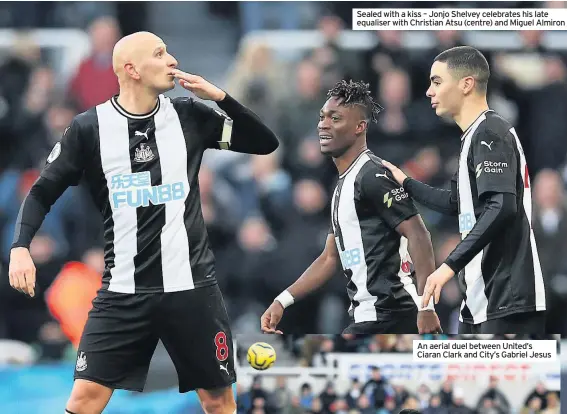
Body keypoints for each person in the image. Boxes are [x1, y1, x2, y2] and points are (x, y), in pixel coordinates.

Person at [8, 31, 279, 414]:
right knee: (84, 400)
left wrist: (219, 98)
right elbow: (40, 191)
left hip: (192, 289)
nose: (172, 60)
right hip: (123, 292)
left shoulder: (190, 115)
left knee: (219, 402)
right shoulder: (90, 128)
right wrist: (20, 247)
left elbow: (264, 142)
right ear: (131, 69)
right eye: (159, 53)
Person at [383, 46, 546, 334]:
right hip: (482, 295)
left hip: (506, 296)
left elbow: (502, 207)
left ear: (466, 84)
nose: (428, 92)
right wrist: (406, 182)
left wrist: (447, 267)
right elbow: (456, 202)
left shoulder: (490, 133)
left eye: (437, 82)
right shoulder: (472, 136)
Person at [261, 80, 442, 335]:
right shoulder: (342, 185)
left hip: (394, 314)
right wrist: (283, 300)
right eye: (322, 117)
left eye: (335, 118)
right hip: (369, 315)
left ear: (359, 127)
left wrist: (427, 307)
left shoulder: (373, 176)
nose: (323, 124)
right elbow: (329, 259)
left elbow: (419, 234)